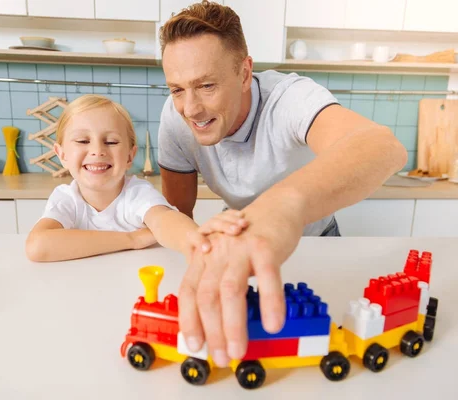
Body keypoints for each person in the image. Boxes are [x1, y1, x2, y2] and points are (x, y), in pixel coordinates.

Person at [157, 1, 408, 367]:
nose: (190, 109)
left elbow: (383, 147)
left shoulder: (288, 98)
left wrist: (282, 206)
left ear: (244, 73)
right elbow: (179, 213)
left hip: (317, 241)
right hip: (240, 246)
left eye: (206, 85)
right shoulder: (175, 117)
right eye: (177, 89)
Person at [25, 94, 247, 262]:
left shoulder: (137, 193)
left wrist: (199, 240)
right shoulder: (66, 198)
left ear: (130, 155)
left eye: (111, 142)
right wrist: (132, 239)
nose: (97, 151)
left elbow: (165, 220)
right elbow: (37, 246)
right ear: (61, 154)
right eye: (83, 141)